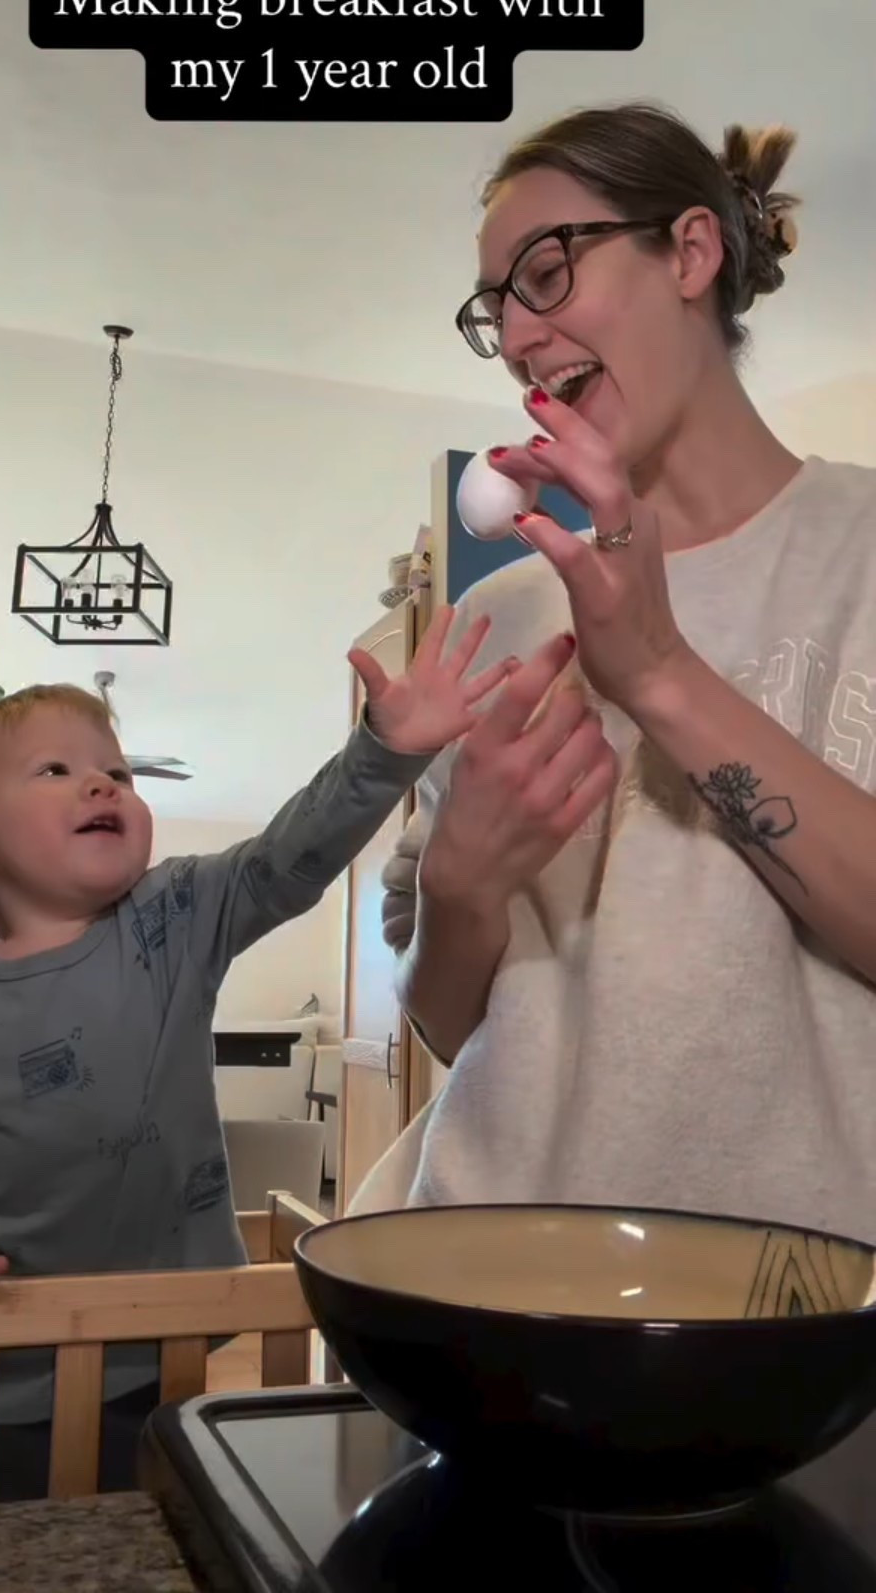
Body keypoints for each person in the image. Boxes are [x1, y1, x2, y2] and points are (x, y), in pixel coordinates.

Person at [0, 605, 513, 1509]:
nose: (104, 784)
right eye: (58, 769)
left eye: (116, 769)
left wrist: (384, 751)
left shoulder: (172, 921)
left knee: (144, 1541)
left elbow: (285, 859)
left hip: (163, 1350)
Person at [372, 100, 876, 1246]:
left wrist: (656, 673)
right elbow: (451, 1025)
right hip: (493, 1277)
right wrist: (460, 885)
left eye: (545, 270)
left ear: (691, 252)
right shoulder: (503, 613)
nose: (514, 333)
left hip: (801, 1322)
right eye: (493, 305)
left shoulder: (864, 551)